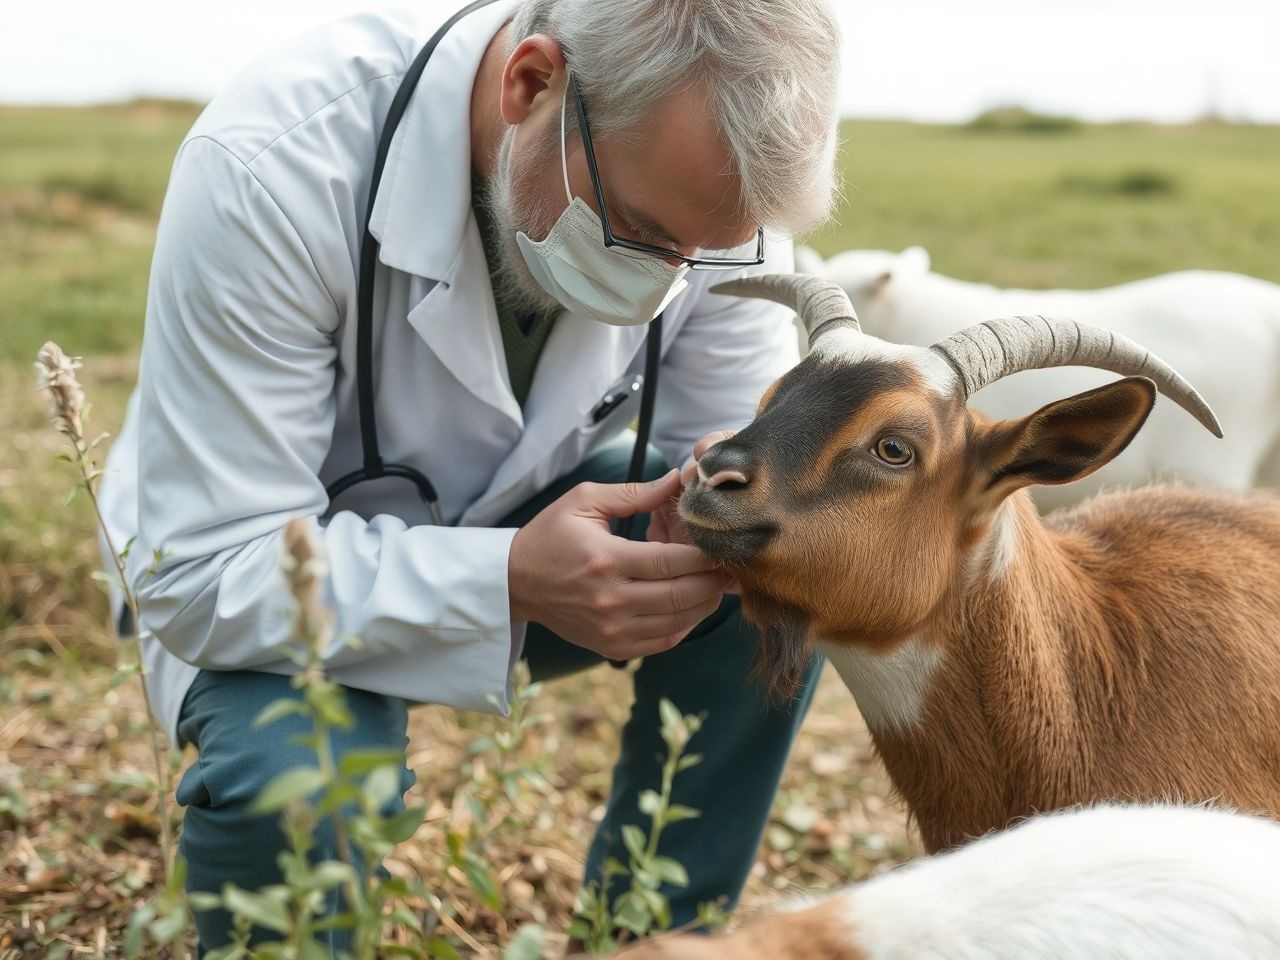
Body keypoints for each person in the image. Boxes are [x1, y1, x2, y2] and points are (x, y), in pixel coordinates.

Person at [100, 0, 842, 951]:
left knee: (768, 563)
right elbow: (207, 566)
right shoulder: (274, 162)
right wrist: (507, 578)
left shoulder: (702, 198)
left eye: (706, 251)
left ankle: (655, 942)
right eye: (640, 231)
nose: (671, 279)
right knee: (292, 777)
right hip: (255, 570)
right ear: (532, 85)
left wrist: (719, 510)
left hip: (519, 522)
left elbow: (729, 445)